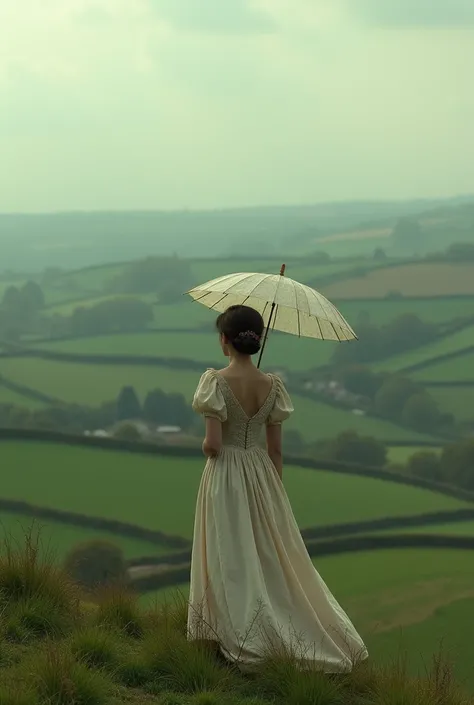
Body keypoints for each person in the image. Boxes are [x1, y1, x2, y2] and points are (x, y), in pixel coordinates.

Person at [187, 304, 368, 671]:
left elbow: (213, 444)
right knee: (270, 553)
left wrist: (208, 443)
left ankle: (232, 631)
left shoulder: (215, 383)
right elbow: (276, 449)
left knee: (230, 552)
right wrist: (273, 489)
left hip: (227, 474)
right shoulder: (272, 386)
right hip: (263, 475)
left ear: (225, 341)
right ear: (257, 341)